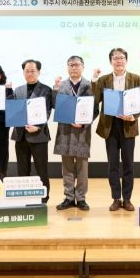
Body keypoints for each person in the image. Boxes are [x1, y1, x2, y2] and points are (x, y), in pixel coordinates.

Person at [92, 48, 140, 212]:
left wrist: (133, 117)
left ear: (126, 60)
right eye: (115, 58)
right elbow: (95, 99)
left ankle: (127, 199)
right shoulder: (104, 79)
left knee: (128, 164)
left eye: (121, 58)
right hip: (110, 126)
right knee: (112, 164)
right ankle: (116, 198)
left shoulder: (135, 78)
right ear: (111, 61)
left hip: (128, 126)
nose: (119, 61)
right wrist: (94, 79)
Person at [53, 56, 98, 211]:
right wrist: (55, 89)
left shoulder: (90, 85)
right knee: (67, 168)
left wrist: (83, 123)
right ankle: (69, 197)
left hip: (82, 131)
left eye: (76, 65)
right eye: (71, 65)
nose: (73, 67)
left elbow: (95, 109)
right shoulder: (61, 85)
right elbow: (55, 105)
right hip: (64, 132)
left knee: (82, 168)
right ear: (67, 67)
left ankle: (81, 198)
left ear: (82, 67)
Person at [11, 59, 53, 203]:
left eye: (33, 71)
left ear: (39, 72)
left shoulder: (46, 90)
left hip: (39, 135)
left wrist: (38, 127)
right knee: (22, 169)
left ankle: (44, 198)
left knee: (41, 169)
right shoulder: (18, 90)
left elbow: (47, 111)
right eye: (27, 71)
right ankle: (24, 197)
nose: (29, 74)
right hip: (20, 135)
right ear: (23, 72)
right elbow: (14, 111)